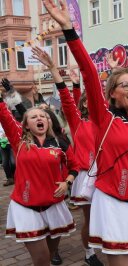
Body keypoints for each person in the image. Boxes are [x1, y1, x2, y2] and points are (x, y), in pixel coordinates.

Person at [42, 1, 128, 265]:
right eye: (125, 85)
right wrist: (69, 30)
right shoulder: (103, 118)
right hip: (113, 201)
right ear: (112, 93)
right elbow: (88, 72)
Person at [31, 46, 104, 266]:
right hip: (86, 176)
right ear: (82, 105)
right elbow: (67, 99)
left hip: (107, 175)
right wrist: (56, 70)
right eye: (84, 101)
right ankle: (89, 252)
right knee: (90, 219)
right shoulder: (77, 122)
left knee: (107, 217)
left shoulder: (107, 121)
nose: (88, 103)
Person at [0, 100, 78, 265]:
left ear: (48, 120)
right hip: (26, 206)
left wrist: (67, 183)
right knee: (41, 259)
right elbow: (5, 117)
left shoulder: (59, 142)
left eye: (42, 116)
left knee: (50, 254)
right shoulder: (19, 141)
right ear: (26, 125)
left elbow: (74, 165)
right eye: (33, 117)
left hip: (54, 206)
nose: (39, 118)